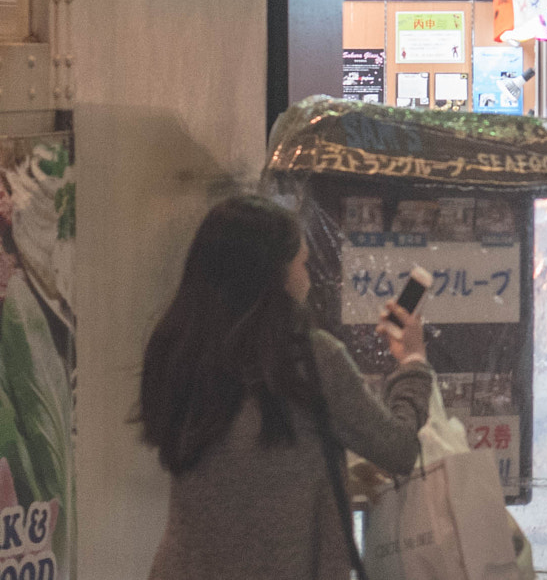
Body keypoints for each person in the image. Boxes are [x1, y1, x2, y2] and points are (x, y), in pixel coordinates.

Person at [140, 195, 435, 580]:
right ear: (274, 275)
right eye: (302, 263)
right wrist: (412, 361)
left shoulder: (176, 349)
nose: (308, 278)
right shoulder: (309, 358)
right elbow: (397, 448)